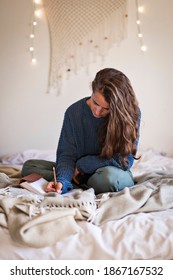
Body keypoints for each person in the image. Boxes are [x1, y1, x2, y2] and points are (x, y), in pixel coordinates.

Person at [21, 68, 141, 195]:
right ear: (92, 92)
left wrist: (82, 165)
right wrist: (61, 180)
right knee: (30, 167)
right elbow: (67, 154)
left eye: (106, 109)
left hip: (108, 172)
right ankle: (71, 181)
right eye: (95, 102)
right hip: (80, 172)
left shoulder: (131, 114)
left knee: (109, 179)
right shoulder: (73, 112)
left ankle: (77, 180)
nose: (97, 112)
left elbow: (124, 160)